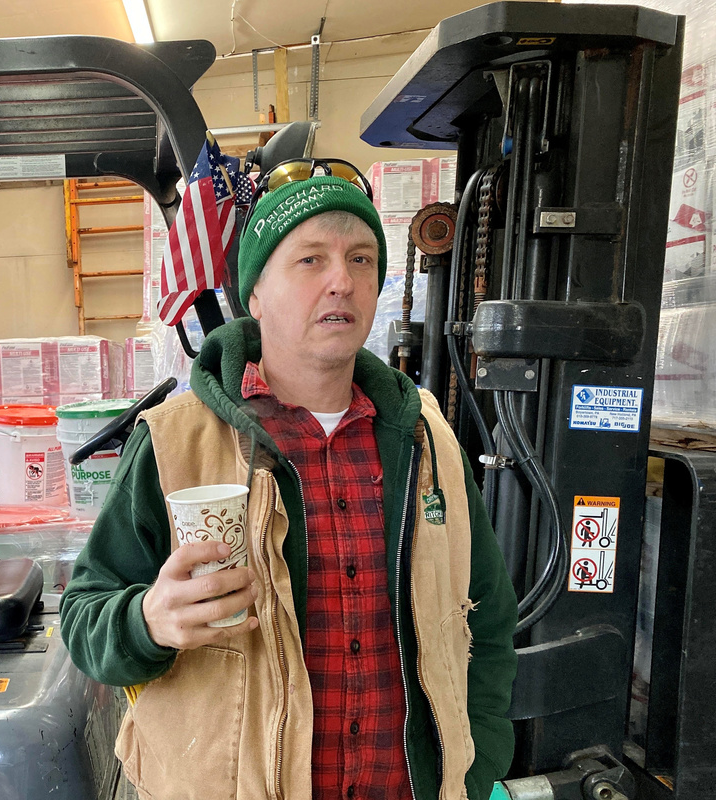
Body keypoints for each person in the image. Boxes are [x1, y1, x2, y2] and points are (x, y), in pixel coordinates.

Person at [60, 173, 518, 800]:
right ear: (255, 293)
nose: (342, 281)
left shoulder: (427, 440)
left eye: (361, 259)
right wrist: (147, 621)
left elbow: (486, 616)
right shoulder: (173, 442)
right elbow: (83, 615)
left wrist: (479, 760)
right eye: (311, 260)